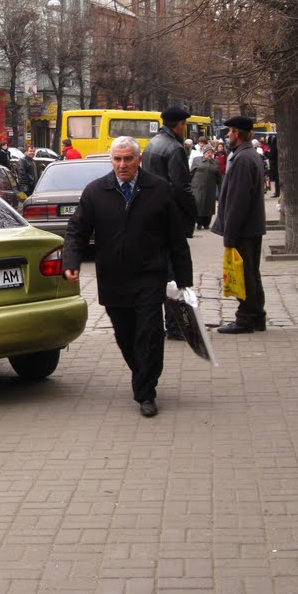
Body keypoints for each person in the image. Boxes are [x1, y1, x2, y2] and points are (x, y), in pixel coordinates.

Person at [62, 135, 193, 418]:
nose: (122, 165)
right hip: (113, 277)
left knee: (150, 333)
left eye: (128, 159)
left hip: (149, 275)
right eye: (117, 159)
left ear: (139, 160)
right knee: (125, 335)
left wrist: (184, 279)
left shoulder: (159, 189)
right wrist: (71, 261)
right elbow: (77, 230)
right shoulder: (96, 191)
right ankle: (143, 373)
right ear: (111, 160)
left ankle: (146, 391)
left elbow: (176, 238)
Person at [141, 106, 197, 339]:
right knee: (175, 274)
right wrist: (193, 211)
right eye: (185, 124)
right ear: (180, 124)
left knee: (161, 272)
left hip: (153, 214)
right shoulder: (174, 148)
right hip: (170, 216)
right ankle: (175, 326)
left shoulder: (152, 144)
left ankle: (162, 323)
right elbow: (181, 187)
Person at [212, 115, 267, 334]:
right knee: (252, 272)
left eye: (230, 131)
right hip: (250, 226)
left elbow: (238, 199)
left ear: (237, 133)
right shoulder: (248, 155)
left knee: (244, 273)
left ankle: (246, 318)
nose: (227, 135)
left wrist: (230, 234)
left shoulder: (243, 158)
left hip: (243, 228)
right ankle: (256, 316)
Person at [190, 145, 221, 230]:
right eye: (208, 152)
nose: (210, 154)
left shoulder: (216, 162)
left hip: (210, 188)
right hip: (197, 187)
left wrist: (221, 187)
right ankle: (199, 223)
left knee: (209, 206)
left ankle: (206, 223)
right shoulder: (197, 160)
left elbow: (219, 177)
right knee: (198, 204)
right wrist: (188, 184)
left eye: (211, 152)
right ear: (204, 152)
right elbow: (191, 173)